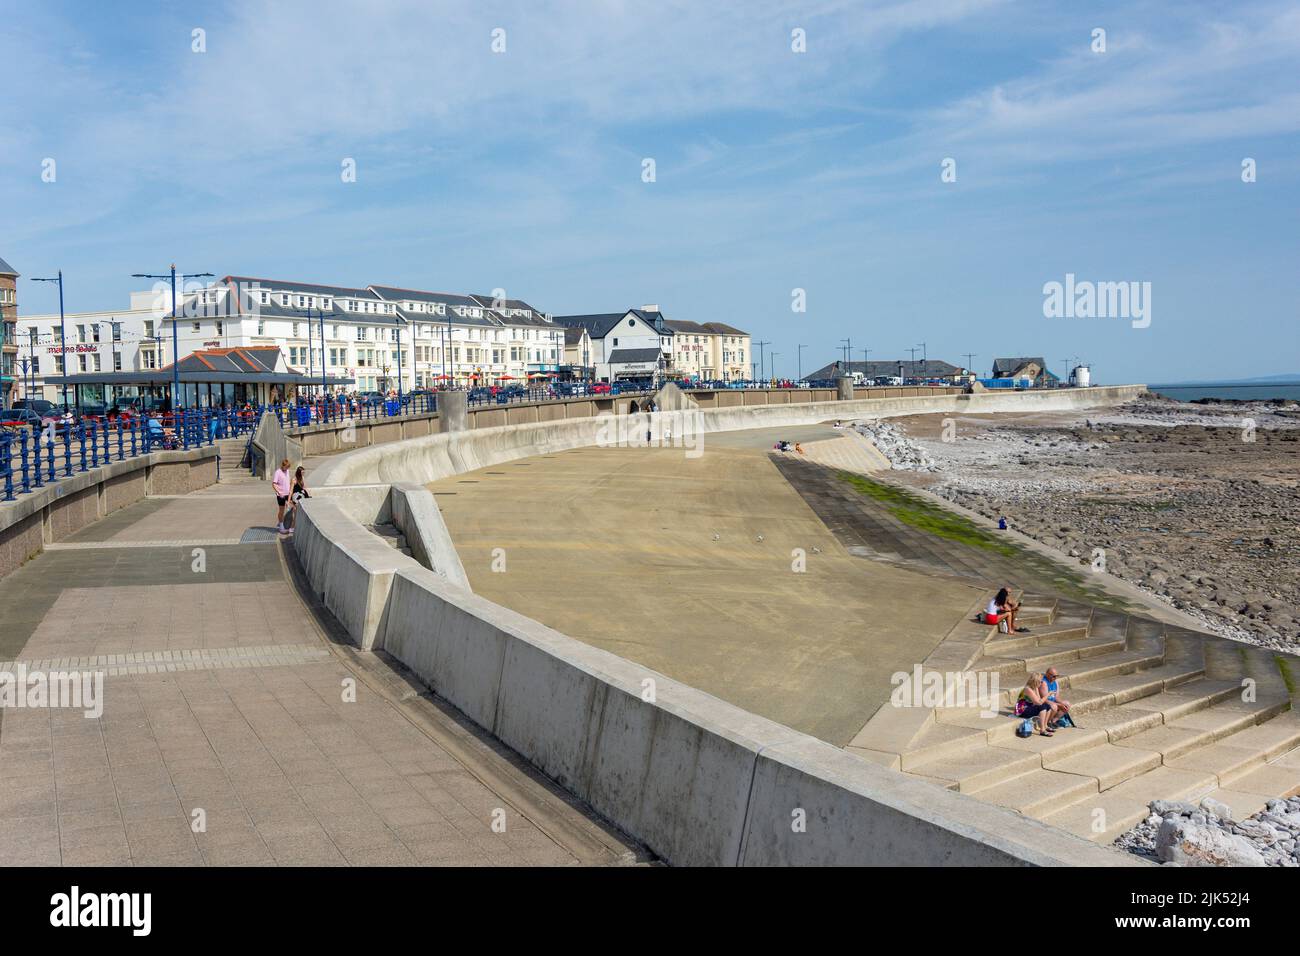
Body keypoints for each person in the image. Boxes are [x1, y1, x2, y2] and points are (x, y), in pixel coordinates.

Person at [272, 458, 292, 534]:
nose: (287, 469)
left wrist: (290, 489)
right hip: (281, 495)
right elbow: (274, 484)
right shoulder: (278, 472)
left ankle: (287, 525)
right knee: (282, 510)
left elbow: (288, 481)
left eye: (288, 467)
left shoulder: (287, 471)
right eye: (286, 467)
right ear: (283, 465)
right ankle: (281, 526)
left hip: (288, 493)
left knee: (293, 507)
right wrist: (279, 492)